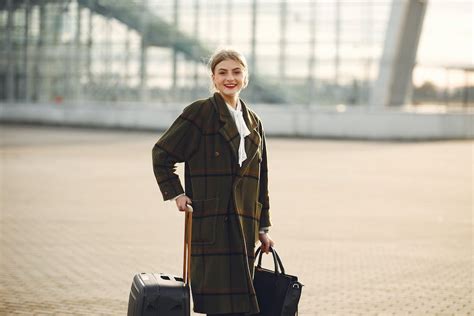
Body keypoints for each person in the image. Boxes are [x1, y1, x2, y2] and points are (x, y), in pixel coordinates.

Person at [152, 48, 274, 316]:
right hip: (212, 221)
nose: (230, 78)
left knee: (242, 304)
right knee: (218, 305)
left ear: (245, 77)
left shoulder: (254, 122)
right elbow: (162, 154)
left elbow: (260, 179)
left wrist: (263, 226)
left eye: (236, 72)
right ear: (213, 78)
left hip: (245, 224)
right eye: (222, 72)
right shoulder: (200, 112)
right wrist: (177, 194)